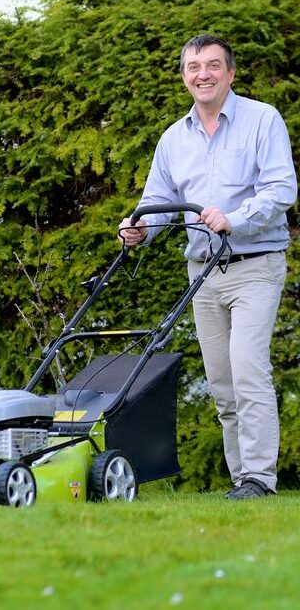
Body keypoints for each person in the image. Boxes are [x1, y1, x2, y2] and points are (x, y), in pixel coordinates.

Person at [119, 34, 298, 500]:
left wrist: (233, 219)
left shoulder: (262, 120)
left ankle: (260, 477)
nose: (203, 74)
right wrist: (138, 227)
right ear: (184, 76)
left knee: (248, 369)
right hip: (202, 273)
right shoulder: (173, 139)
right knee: (221, 381)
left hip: (254, 264)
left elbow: (281, 189)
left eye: (213, 65)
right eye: (194, 66)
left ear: (230, 73)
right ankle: (243, 480)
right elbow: (157, 202)